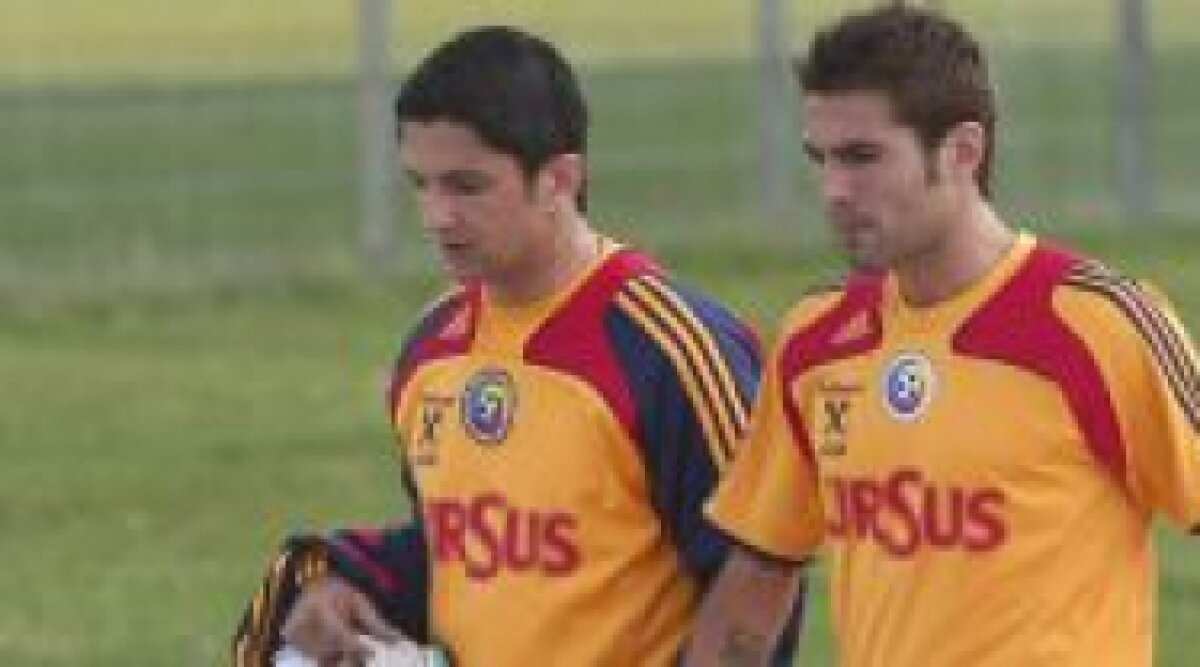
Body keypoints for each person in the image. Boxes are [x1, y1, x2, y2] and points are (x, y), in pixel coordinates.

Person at [232, 26, 799, 666]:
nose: (436, 216)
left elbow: (758, 577)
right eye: (421, 184)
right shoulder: (432, 347)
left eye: (466, 186)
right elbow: (464, 557)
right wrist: (346, 581)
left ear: (559, 179)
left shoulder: (671, 347)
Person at [686, 5, 1200, 667]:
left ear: (962, 151)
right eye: (821, 159)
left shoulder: (1097, 323)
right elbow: (758, 578)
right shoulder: (817, 339)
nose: (834, 190)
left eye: (862, 157)